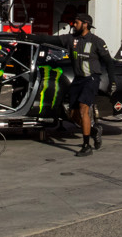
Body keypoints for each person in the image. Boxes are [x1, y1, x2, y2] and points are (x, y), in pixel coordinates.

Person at [48, 14, 116, 157]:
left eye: (76, 22)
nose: (74, 25)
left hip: (91, 79)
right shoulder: (71, 39)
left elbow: (109, 62)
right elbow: (50, 39)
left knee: (83, 108)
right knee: (73, 114)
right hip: (78, 80)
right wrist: (28, 37)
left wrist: (112, 81)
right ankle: (93, 130)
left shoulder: (97, 41)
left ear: (85, 24)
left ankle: (86, 146)